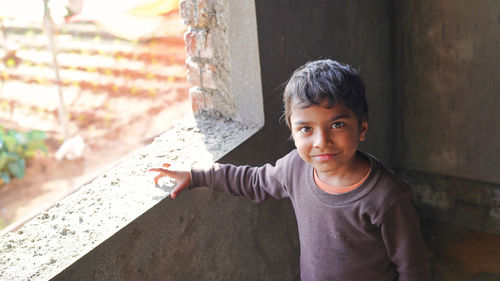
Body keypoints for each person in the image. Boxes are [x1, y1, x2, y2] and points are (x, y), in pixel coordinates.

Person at [149, 59, 430, 281]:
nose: (322, 142)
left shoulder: (386, 197)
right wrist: (198, 174)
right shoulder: (295, 167)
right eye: (306, 129)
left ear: (363, 128)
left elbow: (412, 266)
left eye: (337, 124)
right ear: (293, 132)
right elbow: (254, 181)